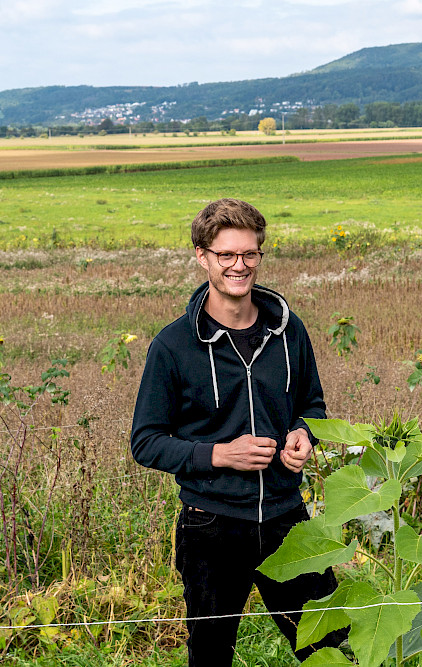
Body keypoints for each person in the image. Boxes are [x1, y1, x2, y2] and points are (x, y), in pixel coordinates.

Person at [130, 198, 347, 666]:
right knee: (211, 656)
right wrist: (220, 455)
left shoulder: (289, 332)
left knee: (329, 646)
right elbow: (145, 442)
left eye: (249, 254)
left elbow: (311, 404)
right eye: (226, 255)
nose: (239, 265)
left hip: (288, 518)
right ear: (202, 256)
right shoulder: (172, 346)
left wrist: (304, 435)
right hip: (210, 524)